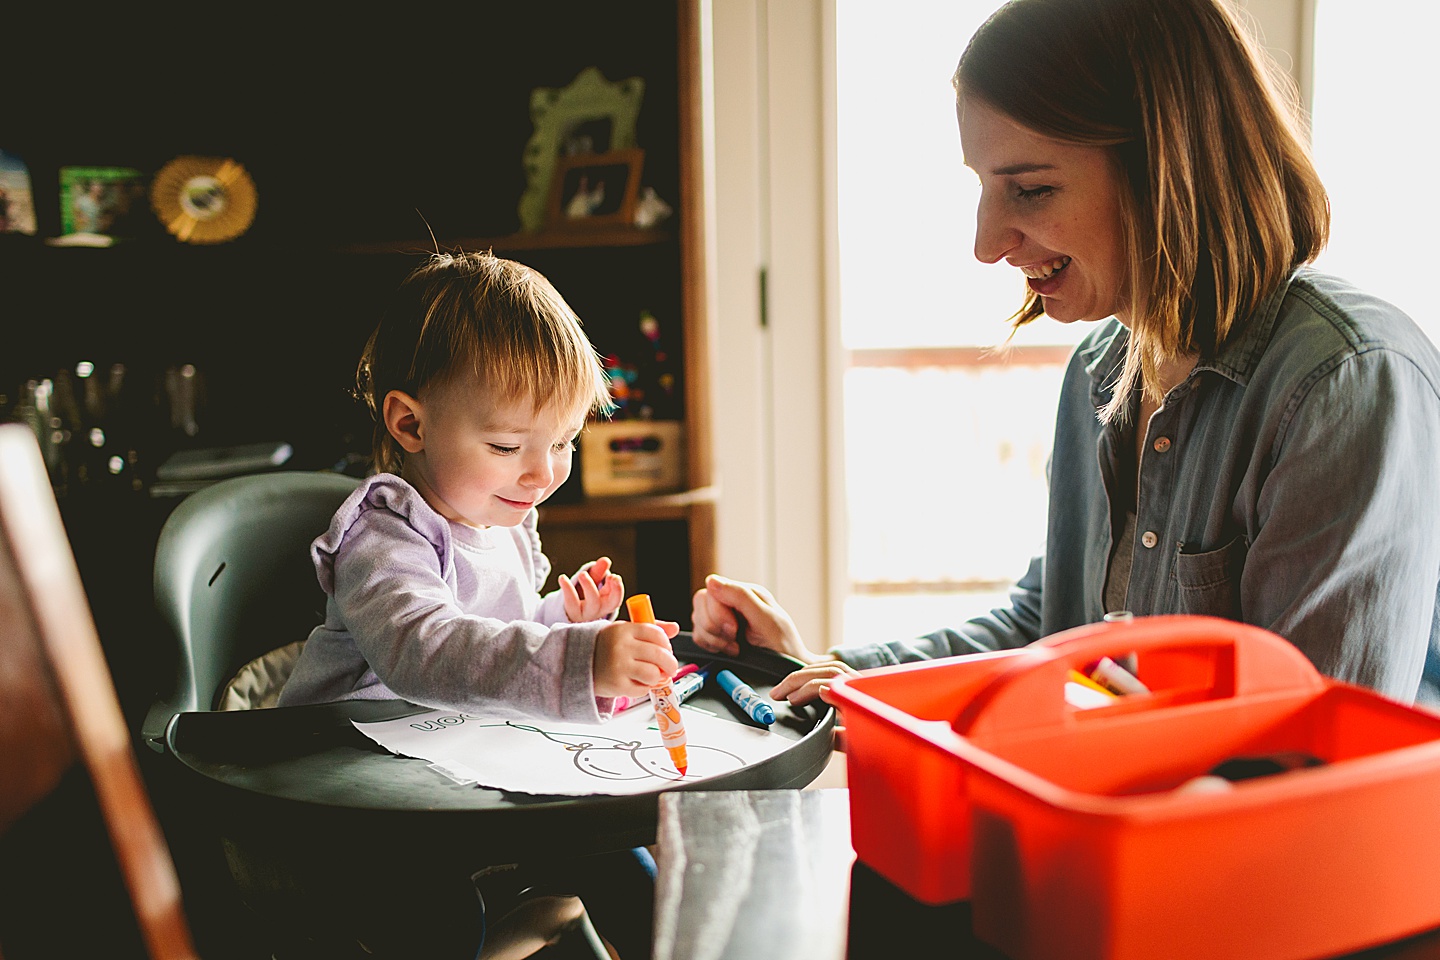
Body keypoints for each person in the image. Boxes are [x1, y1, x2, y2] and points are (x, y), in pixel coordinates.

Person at [692, 0, 1440, 714]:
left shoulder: (1347, 381)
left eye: (1032, 189)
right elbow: (1052, 634)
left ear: (1169, 166)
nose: (986, 244)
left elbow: (1308, 750)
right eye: (985, 189)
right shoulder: (1100, 371)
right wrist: (829, 673)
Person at [278, 249, 676, 959]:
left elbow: (501, 634)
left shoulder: (504, 519)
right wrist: (577, 659)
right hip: (350, 787)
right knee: (432, 915)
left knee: (625, 858)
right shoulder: (384, 532)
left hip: (455, 768)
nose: (543, 471)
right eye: (505, 444)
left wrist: (561, 620)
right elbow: (427, 650)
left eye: (564, 441)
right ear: (410, 426)